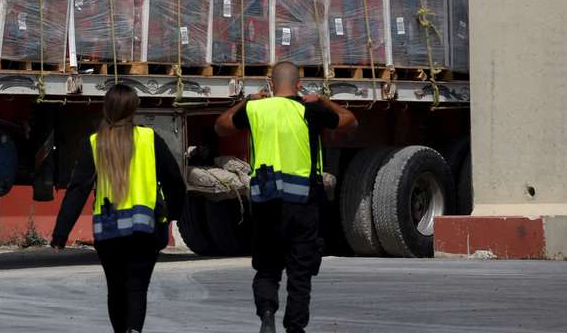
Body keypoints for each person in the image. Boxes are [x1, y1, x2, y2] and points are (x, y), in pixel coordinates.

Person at [214, 61, 358, 333]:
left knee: (267, 265)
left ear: (270, 84)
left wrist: (245, 102)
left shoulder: (256, 109)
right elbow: (350, 122)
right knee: (300, 270)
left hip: (266, 201)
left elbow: (221, 126)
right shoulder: (310, 108)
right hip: (303, 200)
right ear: (299, 85)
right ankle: (294, 326)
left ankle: (267, 314)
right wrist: (325, 101)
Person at [51, 83, 186, 333]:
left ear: (107, 109)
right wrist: (174, 214)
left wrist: (61, 233)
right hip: (145, 229)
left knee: (116, 288)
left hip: (109, 231)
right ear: (134, 108)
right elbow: (174, 180)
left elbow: (77, 189)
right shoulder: (149, 139)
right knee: (136, 287)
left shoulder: (94, 143)